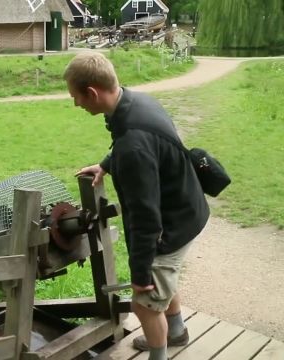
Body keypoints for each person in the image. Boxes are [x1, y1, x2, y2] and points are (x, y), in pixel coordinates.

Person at [64, 52, 209, 360]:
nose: (75, 104)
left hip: (172, 224)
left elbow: (146, 218)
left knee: (144, 302)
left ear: (92, 92)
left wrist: (140, 275)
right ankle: (177, 331)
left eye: (76, 97)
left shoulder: (132, 146)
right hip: (188, 208)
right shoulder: (136, 102)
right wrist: (106, 164)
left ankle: (159, 355)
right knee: (161, 284)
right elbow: (135, 142)